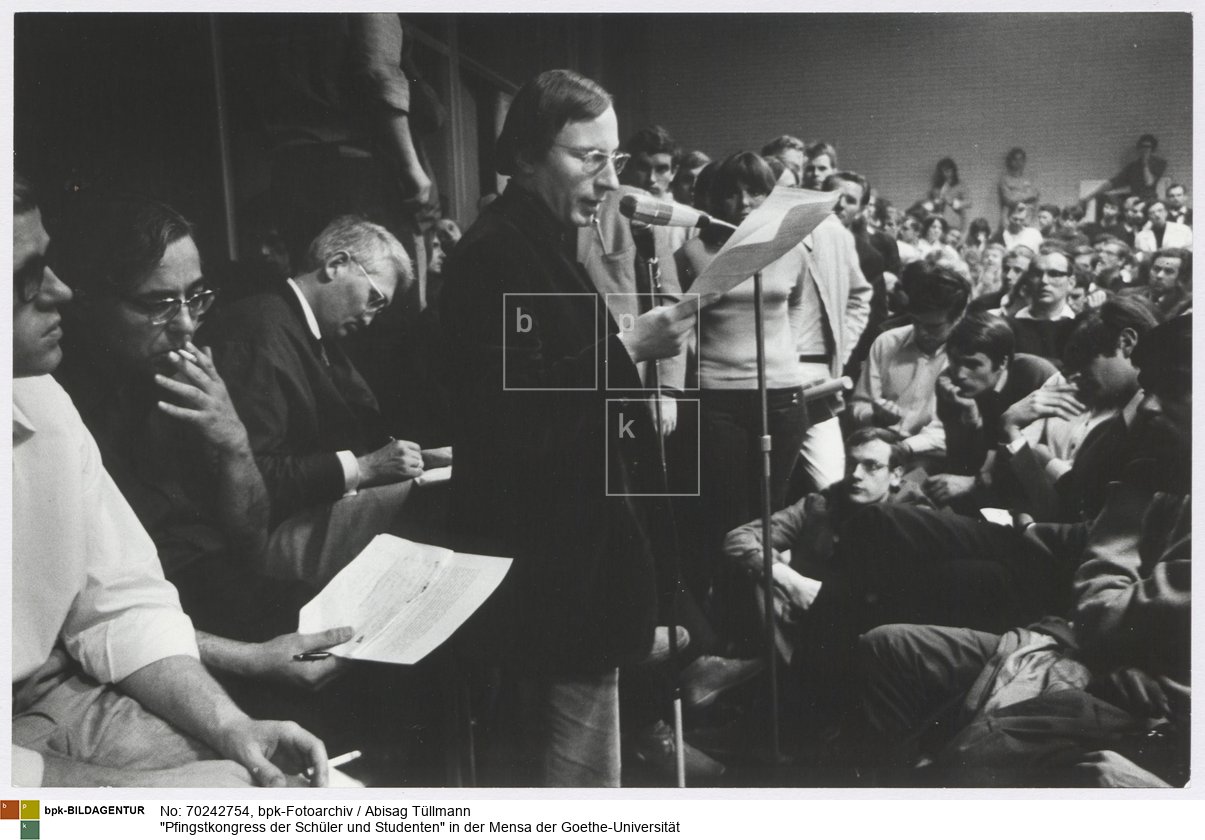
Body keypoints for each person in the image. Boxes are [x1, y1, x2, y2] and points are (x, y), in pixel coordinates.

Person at [12, 174, 329, 788]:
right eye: (26, 277)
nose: (59, 291)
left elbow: (119, 601)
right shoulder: (66, 386)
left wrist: (233, 728)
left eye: (196, 297)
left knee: (268, 789)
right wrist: (139, 799)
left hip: (84, 687)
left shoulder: (43, 399)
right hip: (44, 732)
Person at [440, 69, 696, 787]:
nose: (610, 180)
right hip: (550, 568)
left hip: (571, 560)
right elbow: (510, 418)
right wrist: (627, 348)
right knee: (580, 780)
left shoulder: (544, 241)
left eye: (614, 158)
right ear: (526, 157)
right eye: (591, 158)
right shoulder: (494, 253)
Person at [858, 315, 1190, 787]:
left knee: (942, 578)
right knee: (887, 543)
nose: (1151, 403)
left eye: (1171, 389)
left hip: (1098, 652)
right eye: (1148, 388)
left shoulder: (1143, 444)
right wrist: (1027, 518)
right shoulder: (1156, 449)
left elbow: (1102, 607)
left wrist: (1015, 443)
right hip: (1047, 552)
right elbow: (1085, 530)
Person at [205, 215, 430, 586]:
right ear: (336, 264)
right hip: (265, 539)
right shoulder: (258, 330)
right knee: (432, 507)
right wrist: (365, 468)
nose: (371, 318)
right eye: (374, 299)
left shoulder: (300, 328)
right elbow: (252, 475)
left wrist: (421, 459)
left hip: (303, 515)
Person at [674, 151, 811, 645]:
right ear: (715, 198)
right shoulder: (694, 253)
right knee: (730, 518)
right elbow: (681, 323)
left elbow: (797, 309)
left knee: (771, 518)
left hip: (783, 397)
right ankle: (733, 636)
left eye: (756, 191)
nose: (744, 201)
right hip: (719, 398)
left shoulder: (792, 247)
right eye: (732, 192)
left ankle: (765, 636)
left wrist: (781, 361)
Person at [926, 312, 1058, 507]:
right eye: (954, 361)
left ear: (1002, 363)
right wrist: (971, 422)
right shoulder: (949, 384)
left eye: (972, 364)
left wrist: (974, 483)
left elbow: (1034, 466)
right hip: (986, 488)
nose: (960, 374)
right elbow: (960, 465)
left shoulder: (1037, 376)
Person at [850, 261, 971, 469]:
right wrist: (875, 416)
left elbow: (954, 432)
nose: (921, 332)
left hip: (930, 458)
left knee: (909, 487)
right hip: (880, 445)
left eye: (933, 327)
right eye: (916, 321)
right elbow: (858, 405)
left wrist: (904, 447)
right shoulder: (887, 342)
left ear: (958, 318)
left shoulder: (969, 358)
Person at [1008, 243, 1079, 367]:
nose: (1044, 281)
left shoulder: (1079, 327)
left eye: (1054, 274)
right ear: (1027, 280)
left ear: (1071, 283)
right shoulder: (1008, 327)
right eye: (1037, 274)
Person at [1082, 133, 1169, 207]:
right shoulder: (1132, 167)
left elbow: (1149, 182)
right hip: (1135, 200)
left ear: (1152, 149)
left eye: (1148, 147)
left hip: (1150, 201)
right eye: (1142, 146)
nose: (1145, 150)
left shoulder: (1160, 163)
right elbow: (1114, 182)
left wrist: (1145, 164)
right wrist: (1090, 196)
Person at [1142, 247, 1191, 320]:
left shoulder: (1188, 304)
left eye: (1168, 271)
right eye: (1156, 269)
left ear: (1181, 277)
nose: (1159, 275)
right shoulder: (1130, 296)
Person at [926, 157, 970, 232]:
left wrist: (953, 202)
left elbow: (969, 202)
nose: (945, 173)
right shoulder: (936, 187)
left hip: (953, 222)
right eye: (942, 171)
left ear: (953, 170)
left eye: (947, 170)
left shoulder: (960, 185)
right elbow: (931, 203)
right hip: (938, 222)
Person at [997, 147, 1039, 222]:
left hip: (1028, 217)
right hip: (1010, 217)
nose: (1018, 162)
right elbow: (1008, 199)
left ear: (1024, 161)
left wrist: (1016, 193)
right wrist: (1025, 194)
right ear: (1011, 161)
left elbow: (1034, 195)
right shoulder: (1005, 180)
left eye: (1021, 159)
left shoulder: (1030, 179)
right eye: (1015, 159)